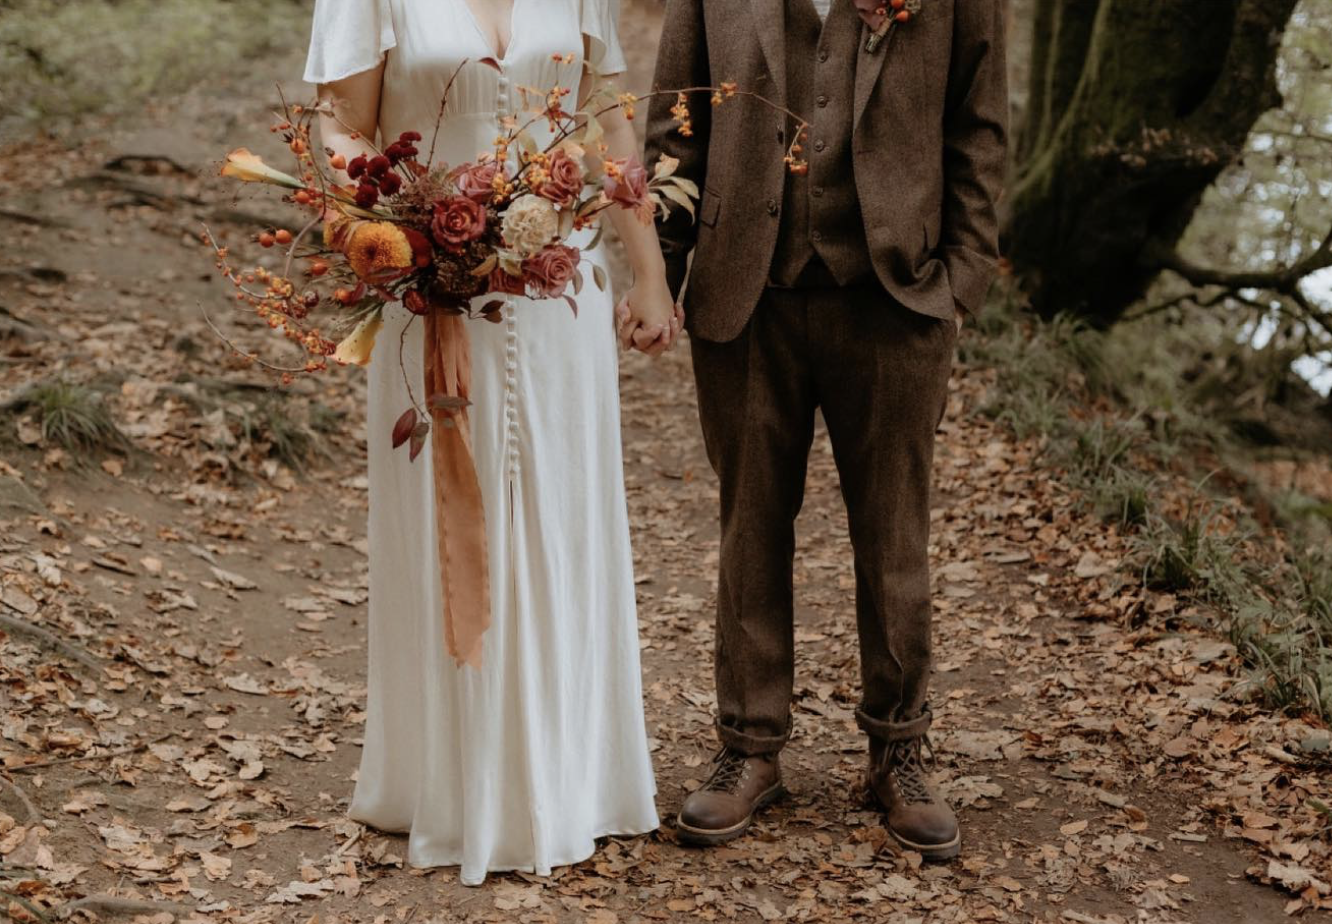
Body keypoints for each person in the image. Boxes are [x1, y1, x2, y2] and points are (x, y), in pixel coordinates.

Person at [304, 0, 676, 886]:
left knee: (560, 527)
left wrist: (650, 274)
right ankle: (452, 784)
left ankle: (574, 779)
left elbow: (607, 120)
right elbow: (342, 126)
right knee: (450, 526)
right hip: (434, 297)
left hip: (559, 299)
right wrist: (401, 230)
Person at [645, 0, 1008, 859]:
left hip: (895, 297)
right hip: (745, 292)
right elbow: (675, 121)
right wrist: (659, 270)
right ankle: (749, 747)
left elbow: (980, 125)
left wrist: (960, 280)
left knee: (894, 533)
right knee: (750, 524)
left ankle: (898, 748)